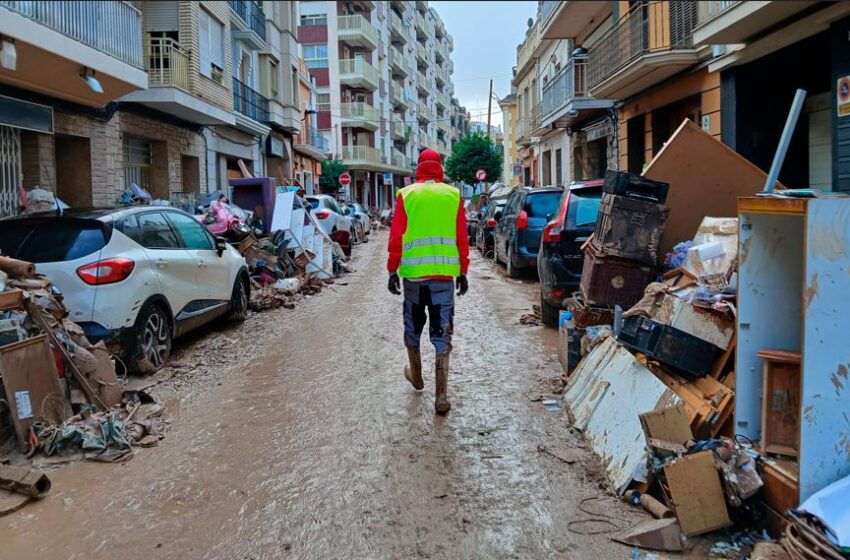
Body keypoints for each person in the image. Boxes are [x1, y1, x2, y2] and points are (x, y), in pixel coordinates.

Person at [387, 149, 469, 414]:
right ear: (440, 168)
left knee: (412, 327)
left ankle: (417, 376)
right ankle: (441, 396)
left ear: (419, 168)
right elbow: (461, 237)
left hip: (413, 279)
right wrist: (463, 271)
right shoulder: (453, 195)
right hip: (443, 279)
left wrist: (392, 270)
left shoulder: (407, 195)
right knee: (442, 331)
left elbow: (396, 237)